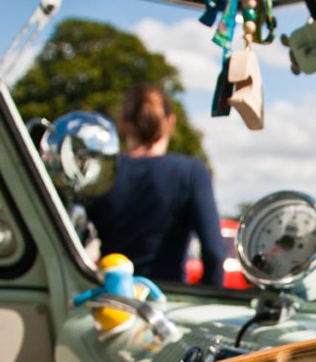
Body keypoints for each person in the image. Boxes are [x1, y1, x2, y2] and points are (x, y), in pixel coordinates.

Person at [86, 84, 225, 284]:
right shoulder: (190, 172)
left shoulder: (103, 172)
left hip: (112, 301)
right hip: (167, 300)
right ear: (170, 122)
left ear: (124, 124)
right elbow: (214, 252)